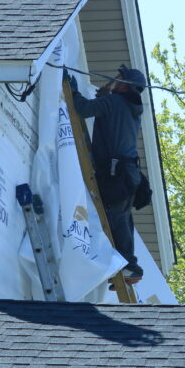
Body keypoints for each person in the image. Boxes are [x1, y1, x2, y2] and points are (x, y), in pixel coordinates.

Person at [66, 65, 147, 285]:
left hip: (117, 175)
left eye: (118, 79)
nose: (114, 80)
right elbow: (107, 105)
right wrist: (108, 90)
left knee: (113, 221)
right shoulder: (129, 107)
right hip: (128, 175)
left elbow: (82, 109)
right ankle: (129, 267)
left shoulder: (115, 103)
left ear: (125, 85)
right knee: (122, 220)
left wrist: (73, 91)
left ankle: (129, 266)